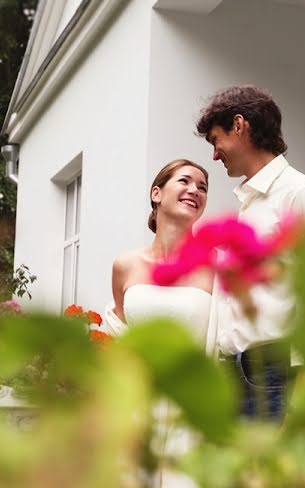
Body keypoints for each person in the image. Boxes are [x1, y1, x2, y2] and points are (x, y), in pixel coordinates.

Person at [196, 84, 305, 419]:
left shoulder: (302, 196)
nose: (215, 154)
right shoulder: (251, 205)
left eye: (215, 140)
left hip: (278, 378)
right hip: (236, 377)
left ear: (239, 125)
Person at [104, 158, 216, 488]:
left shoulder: (216, 266)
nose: (195, 190)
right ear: (157, 193)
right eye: (185, 181)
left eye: (203, 187)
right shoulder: (126, 265)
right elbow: (120, 335)